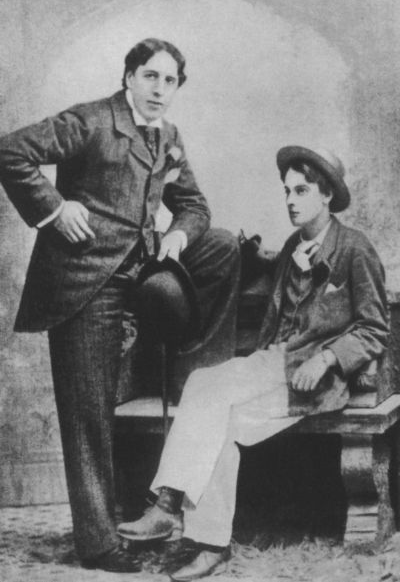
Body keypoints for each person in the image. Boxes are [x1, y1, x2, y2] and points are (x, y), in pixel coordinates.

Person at [0, 38, 240, 572]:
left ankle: (199, 373)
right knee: (88, 412)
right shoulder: (91, 121)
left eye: (170, 81)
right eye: (150, 76)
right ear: (129, 77)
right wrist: (54, 209)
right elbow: (10, 150)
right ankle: (98, 543)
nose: (159, 89)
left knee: (222, 244)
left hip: (139, 275)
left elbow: (195, 206)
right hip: (86, 279)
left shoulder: (168, 136)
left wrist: (178, 234)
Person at [118, 145, 389, 581]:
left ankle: (167, 504)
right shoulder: (292, 248)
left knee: (203, 384)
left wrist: (327, 357)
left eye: (301, 191)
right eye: (287, 191)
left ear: (327, 196)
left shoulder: (355, 250)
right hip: (273, 364)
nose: (290, 201)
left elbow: (375, 329)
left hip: (312, 382)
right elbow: (272, 288)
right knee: (218, 424)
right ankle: (211, 544)